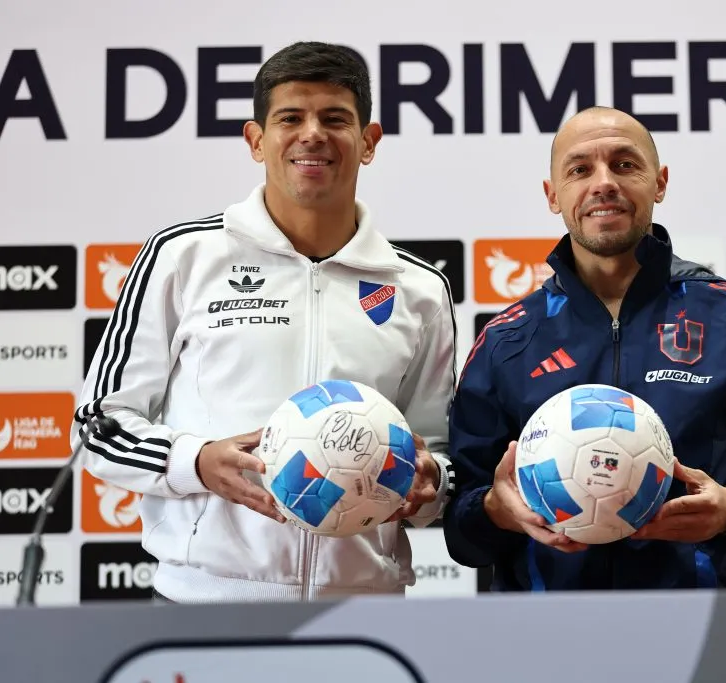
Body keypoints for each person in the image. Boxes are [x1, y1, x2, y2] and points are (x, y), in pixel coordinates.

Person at [71, 41, 458, 603]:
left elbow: (438, 448)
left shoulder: (419, 288)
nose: (312, 134)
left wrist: (433, 483)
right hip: (202, 602)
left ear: (368, 142)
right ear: (257, 140)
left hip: (363, 612)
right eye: (290, 118)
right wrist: (196, 462)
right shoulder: (184, 257)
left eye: (335, 119)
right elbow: (98, 426)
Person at [442, 106, 726, 591]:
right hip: (547, 642)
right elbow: (462, 529)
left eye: (625, 164)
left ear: (660, 182)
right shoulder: (507, 340)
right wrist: (493, 511)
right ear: (552, 195)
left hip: (706, 633)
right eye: (580, 169)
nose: (603, 183)